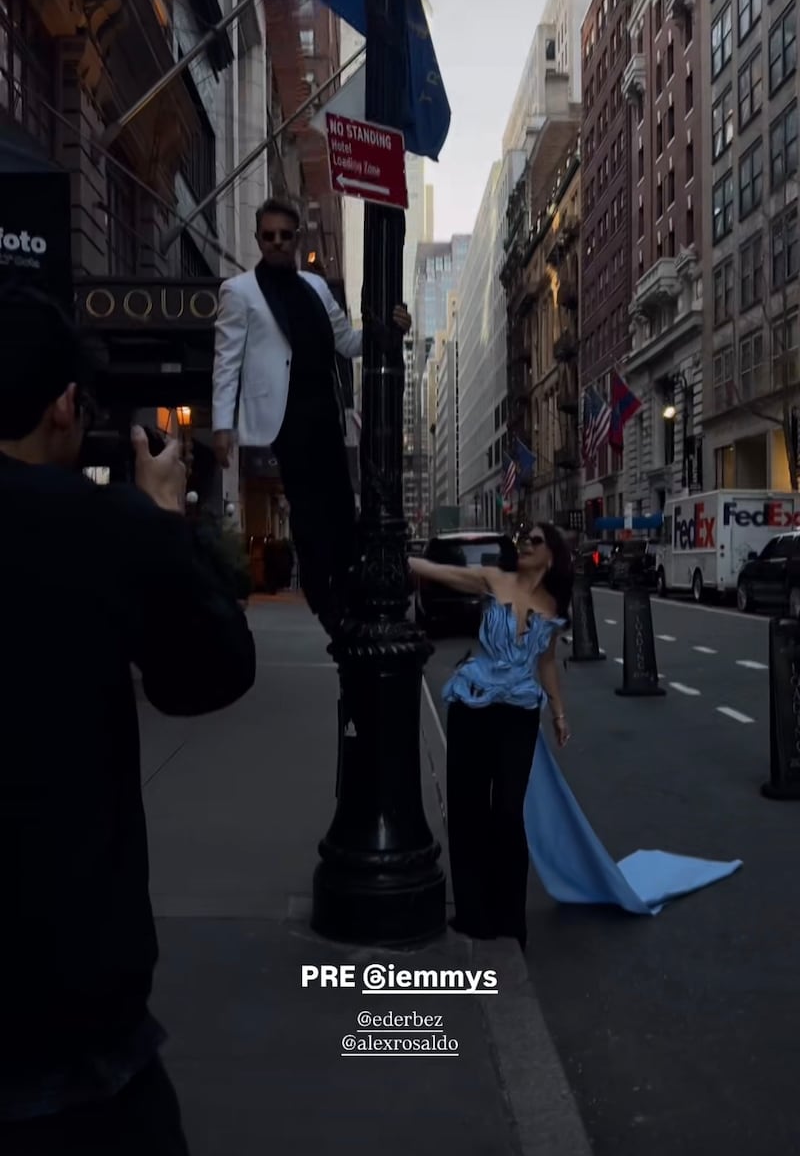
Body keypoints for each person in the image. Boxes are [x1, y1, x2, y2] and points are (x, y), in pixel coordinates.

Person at [0, 285, 257, 1153]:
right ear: (65, 405)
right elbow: (211, 672)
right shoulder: (99, 525)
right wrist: (162, 523)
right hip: (62, 998)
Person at [212, 197, 411, 634]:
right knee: (307, 510)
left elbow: (348, 343)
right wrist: (221, 425)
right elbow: (226, 361)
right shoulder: (239, 291)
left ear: (297, 238)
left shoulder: (316, 288)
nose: (277, 242)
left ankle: (347, 591)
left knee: (340, 504)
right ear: (258, 239)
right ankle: (326, 603)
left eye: (285, 235)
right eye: (269, 236)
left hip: (323, 410)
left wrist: (389, 327)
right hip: (284, 414)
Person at [409, 523, 573, 949]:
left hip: (518, 713)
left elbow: (547, 661)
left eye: (535, 541)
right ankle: (473, 915)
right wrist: (402, 559)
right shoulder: (495, 579)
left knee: (507, 812)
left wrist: (558, 713)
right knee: (468, 811)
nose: (525, 545)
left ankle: (510, 919)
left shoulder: (551, 605)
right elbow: (442, 572)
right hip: (473, 704)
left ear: (551, 555)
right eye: (523, 539)